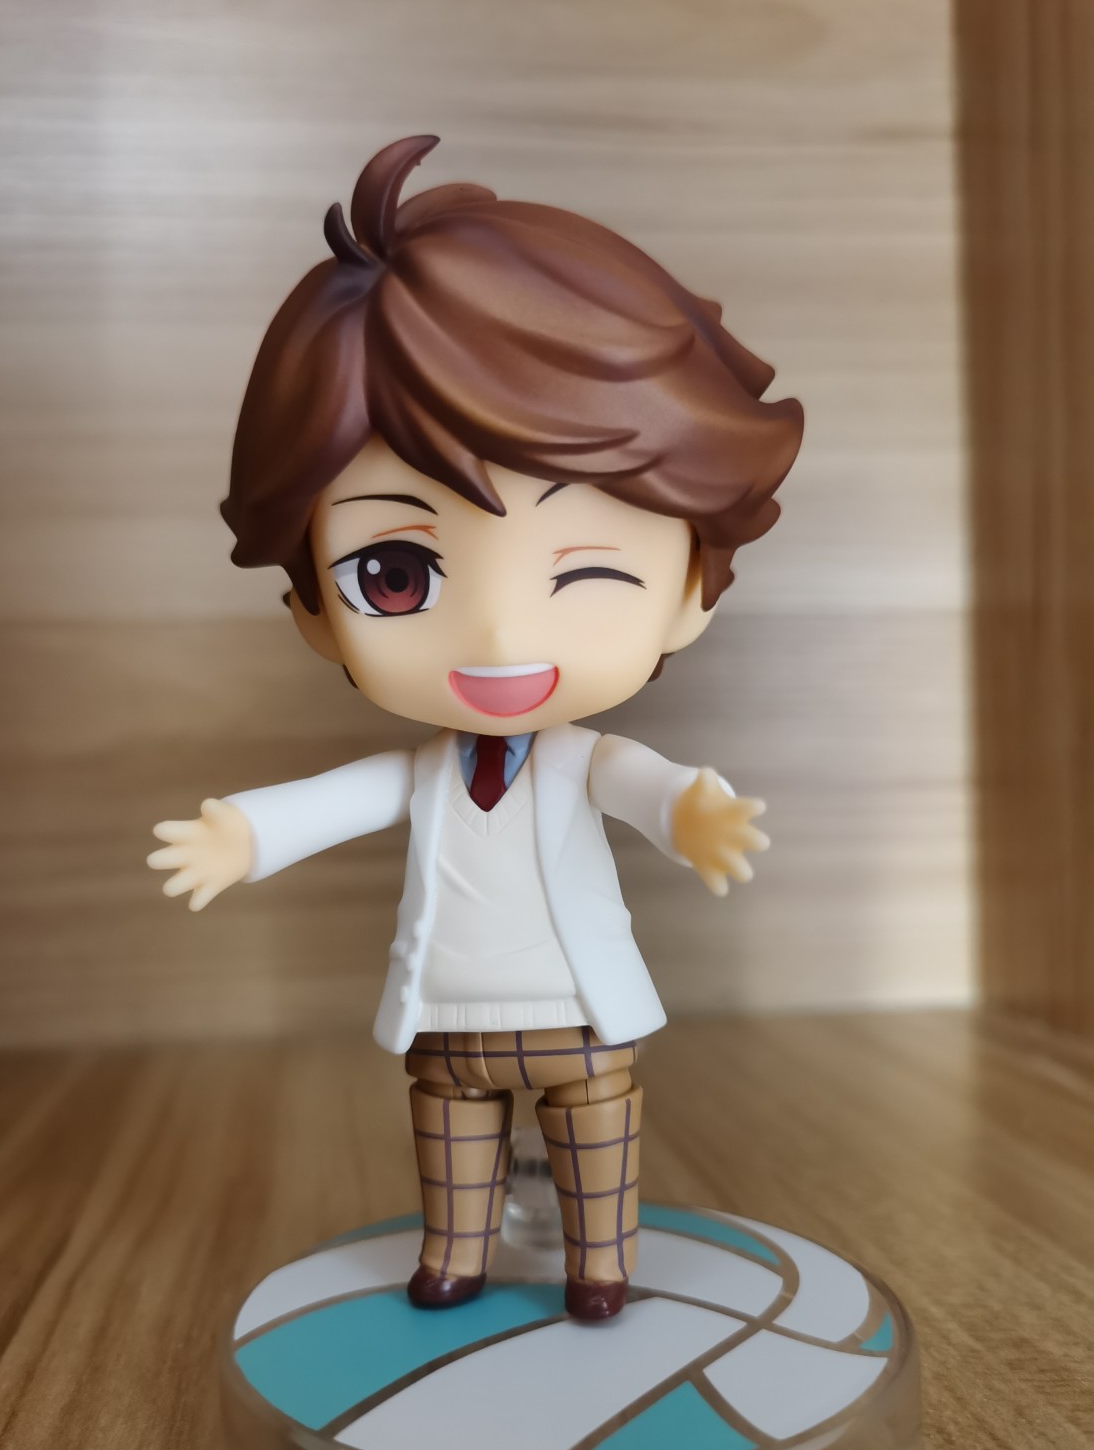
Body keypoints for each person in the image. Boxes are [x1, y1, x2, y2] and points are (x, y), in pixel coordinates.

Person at [148, 136, 803, 1321]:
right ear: (314, 612)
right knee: (449, 1137)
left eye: (587, 569)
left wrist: (691, 814)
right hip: (448, 1019)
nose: (500, 634)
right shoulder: (422, 770)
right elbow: (335, 802)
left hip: (579, 1015)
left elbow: (642, 783)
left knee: (596, 1132)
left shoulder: (581, 758)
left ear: (693, 591)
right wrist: (242, 835)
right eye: (395, 575)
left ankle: (601, 1263)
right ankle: (453, 1255)